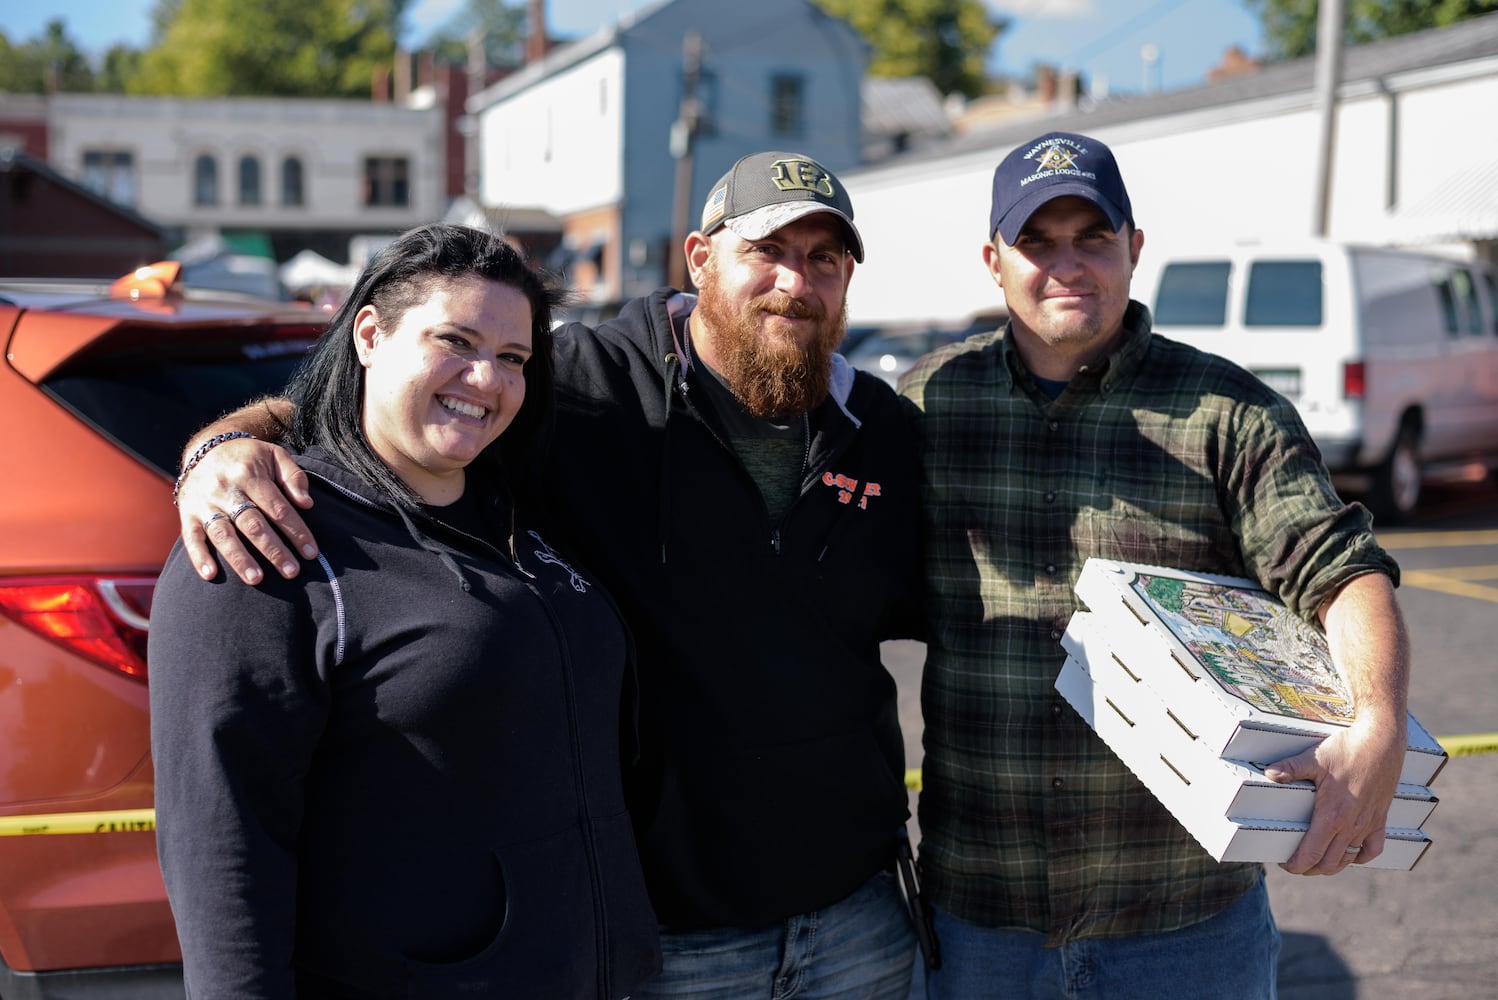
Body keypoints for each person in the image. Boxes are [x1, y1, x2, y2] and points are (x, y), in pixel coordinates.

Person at [169, 152, 924, 997]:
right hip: (671, 942)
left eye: (825, 258)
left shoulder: (883, 428)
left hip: (860, 922)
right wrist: (224, 446)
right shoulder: (586, 386)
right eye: (767, 251)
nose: (796, 280)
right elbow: (368, 404)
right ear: (702, 260)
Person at [898, 130, 1412, 998]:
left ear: (1134, 248)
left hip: (1187, 932)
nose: (1067, 263)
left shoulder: (1230, 415)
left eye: (1092, 237)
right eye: (1037, 241)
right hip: (980, 928)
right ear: (993, 261)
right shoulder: (921, 407)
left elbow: (1342, 570)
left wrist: (1380, 724)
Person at [148, 224, 661, 998]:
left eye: (514, 359)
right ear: (369, 333)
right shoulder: (268, 545)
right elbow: (224, 847)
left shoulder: (520, 509)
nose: (486, 380)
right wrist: (215, 447)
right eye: (454, 340)